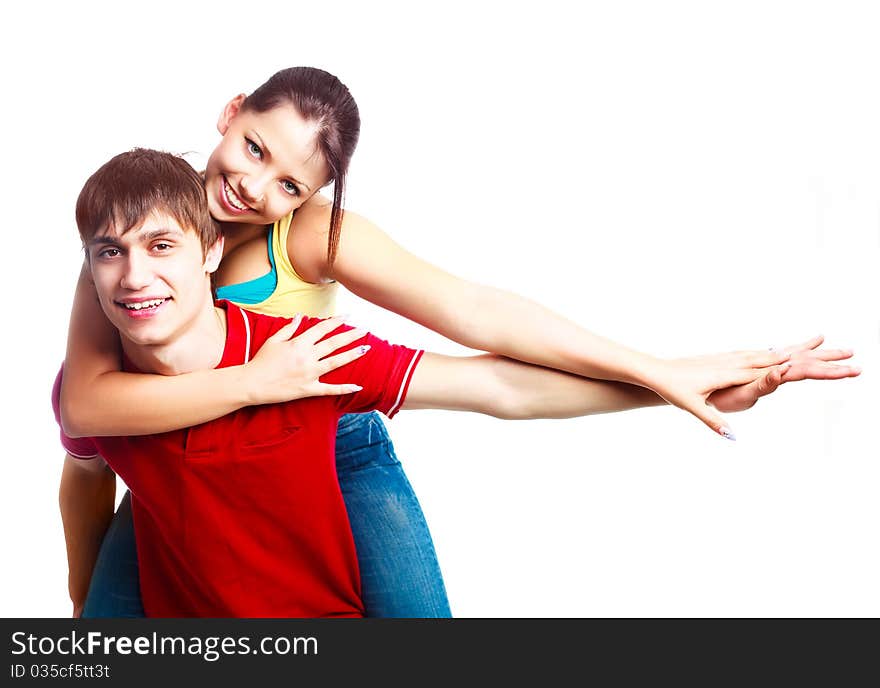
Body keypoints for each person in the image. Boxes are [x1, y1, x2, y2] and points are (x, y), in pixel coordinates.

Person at [58, 69, 860, 617]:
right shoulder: (135, 236)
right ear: (230, 114)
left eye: (291, 185)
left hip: (325, 441)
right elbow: (87, 407)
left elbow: (477, 324)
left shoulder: (307, 239)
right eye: (255, 149)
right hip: (179, 453)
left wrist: (663, 374)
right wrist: (255, 385)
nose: (255, 189)